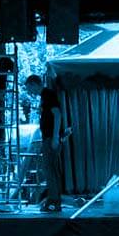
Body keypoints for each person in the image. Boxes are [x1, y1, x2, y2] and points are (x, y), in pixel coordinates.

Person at [25, 75, 68, 212]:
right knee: (51, 169)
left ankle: (53, 200)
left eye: (30, 88)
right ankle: (54, 200)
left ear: (35, 84)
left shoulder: (48, 94)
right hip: (48, 137)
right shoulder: (45, 97)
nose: (30, 91)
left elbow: (57, 114)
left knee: (50, 169)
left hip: (51, 138)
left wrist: (55, 137)